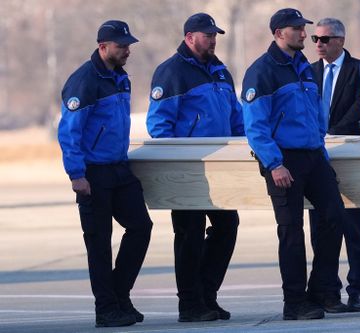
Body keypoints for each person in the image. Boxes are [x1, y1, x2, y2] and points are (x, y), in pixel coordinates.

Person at [241, 8, 345, 320]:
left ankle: (319, 290)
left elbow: (316, 114)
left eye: (303, 27)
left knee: (334, 217)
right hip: (283, 161)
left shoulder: (303, 67)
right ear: (278, 33)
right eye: (297, 28)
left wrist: (321, 150)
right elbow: (255, 126)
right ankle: (295, 302)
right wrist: (274, 164)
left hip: (313, 157)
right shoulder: (262, 71)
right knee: (291, 231)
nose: (304, 33)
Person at [146, 13, 243, 322]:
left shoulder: (220, 71)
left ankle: (207, 295)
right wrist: (179, 162)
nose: (213, 39)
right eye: (207, 35)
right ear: (190, 37)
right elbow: (159, 125)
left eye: (215, 34)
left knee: (227, 227)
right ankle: (190, 303)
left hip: (220, 168)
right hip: (188, 168)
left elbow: (236, 118)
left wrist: (244, 147)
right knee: (190, 233)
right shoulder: (172, 72)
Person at [58, 20, 153, 327]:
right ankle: (106, 309)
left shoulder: (120, 78)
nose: (127, 51)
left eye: (128, 45)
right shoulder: (84, 81)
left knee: (141, 227)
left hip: (119, 169)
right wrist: (76, 174)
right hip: (93, 173)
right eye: (121, 46)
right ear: (103, 47)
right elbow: (69, 133)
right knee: (99, 243)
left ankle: (119, 296)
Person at [309, 17, 360, 312]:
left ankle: (356, 288)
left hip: (348, 151)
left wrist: (334, 132)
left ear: (341, 41)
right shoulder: (308, 73)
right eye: (315, 39)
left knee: (352, 224)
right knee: (319, 225)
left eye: (325, 39)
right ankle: (325, 287)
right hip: (316, 156)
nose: (318, 44)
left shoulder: (359, 70)